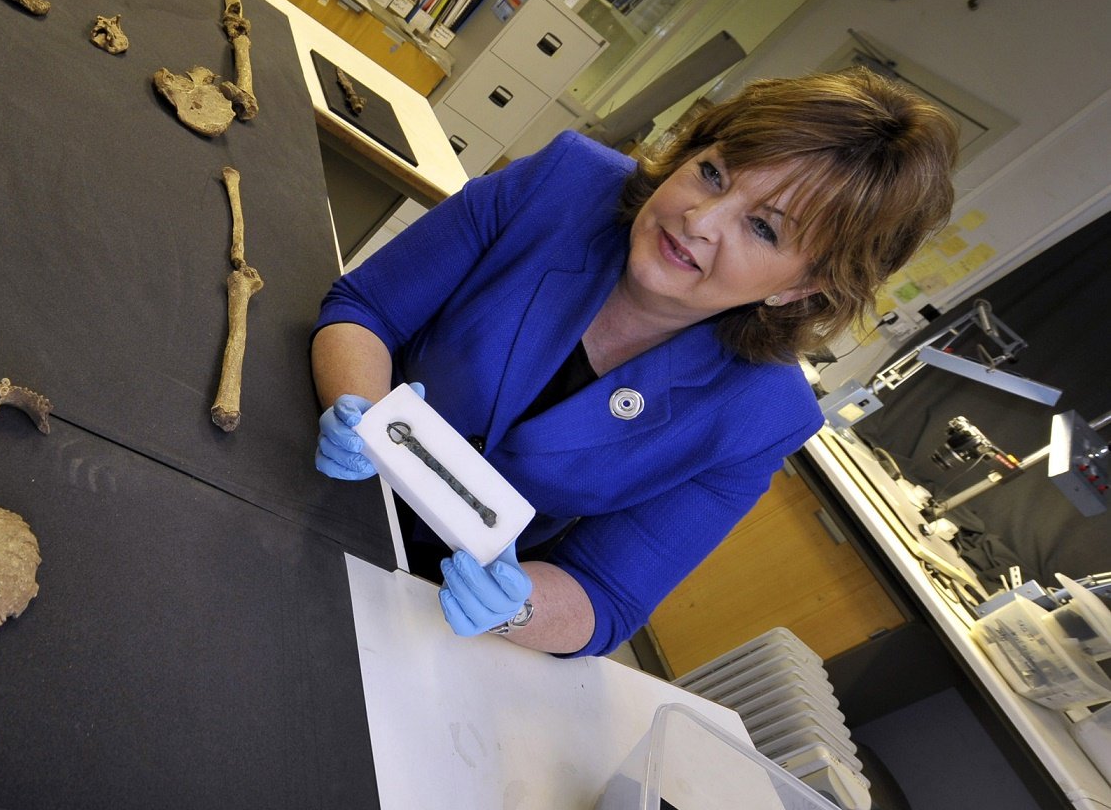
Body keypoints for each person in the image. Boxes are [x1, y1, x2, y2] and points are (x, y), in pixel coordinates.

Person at [311, 69, 958, 656]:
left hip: (436, 612)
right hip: (319, 467)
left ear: (802, 287)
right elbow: (367, 308)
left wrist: (515, 606)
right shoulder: (563, 185)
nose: (700, 219)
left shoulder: (762, 415)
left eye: (763, 228)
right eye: (713, 172)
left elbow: (606, 593)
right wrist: (361, 407)